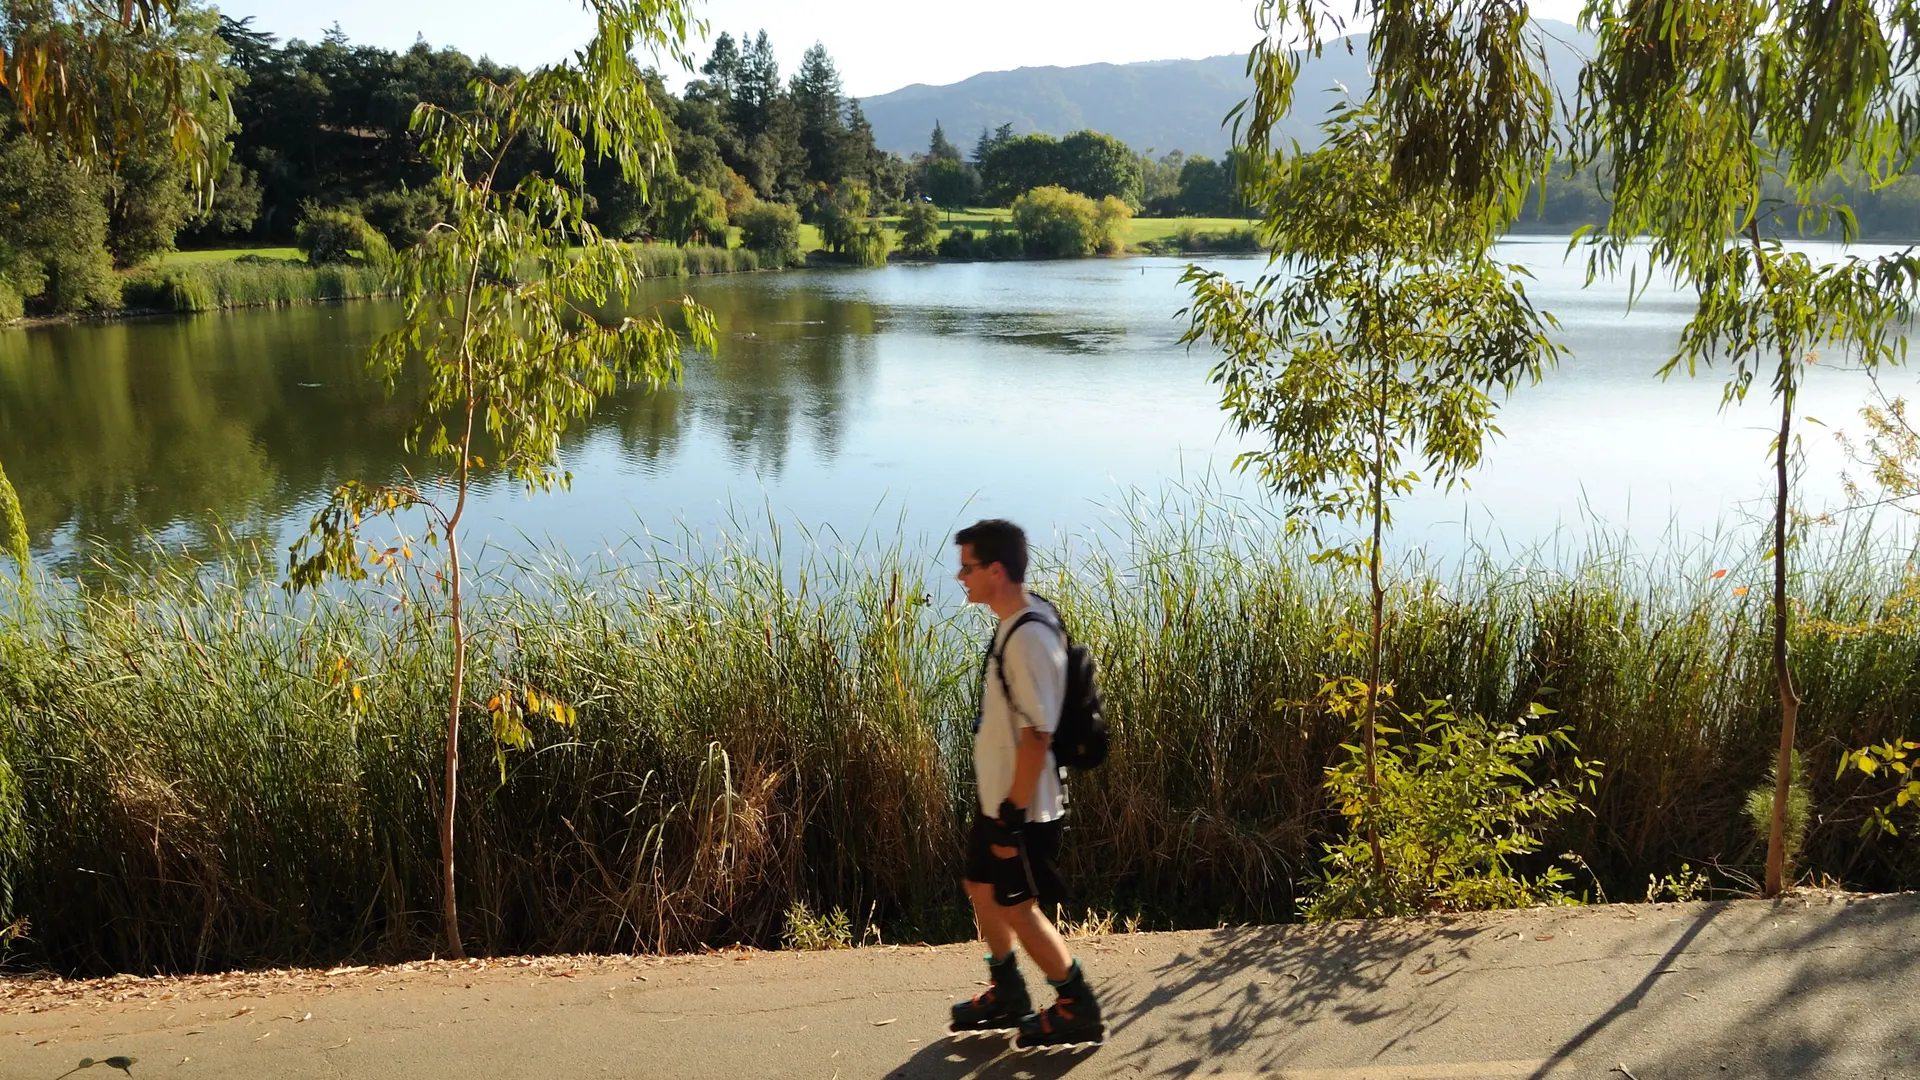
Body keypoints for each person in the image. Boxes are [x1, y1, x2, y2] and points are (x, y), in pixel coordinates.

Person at [946, 518, 1104, 1048]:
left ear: (996, 570)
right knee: (981, 886)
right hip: (1001, 798)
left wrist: (1010, 813)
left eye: (967, 567)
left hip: (1023, 805)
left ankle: (1074, 1003)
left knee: (1017, 906)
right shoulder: (1018, 617)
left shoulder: (1029, 637)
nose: (959, 576)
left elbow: (1039, 733)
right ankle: (1008, 990)